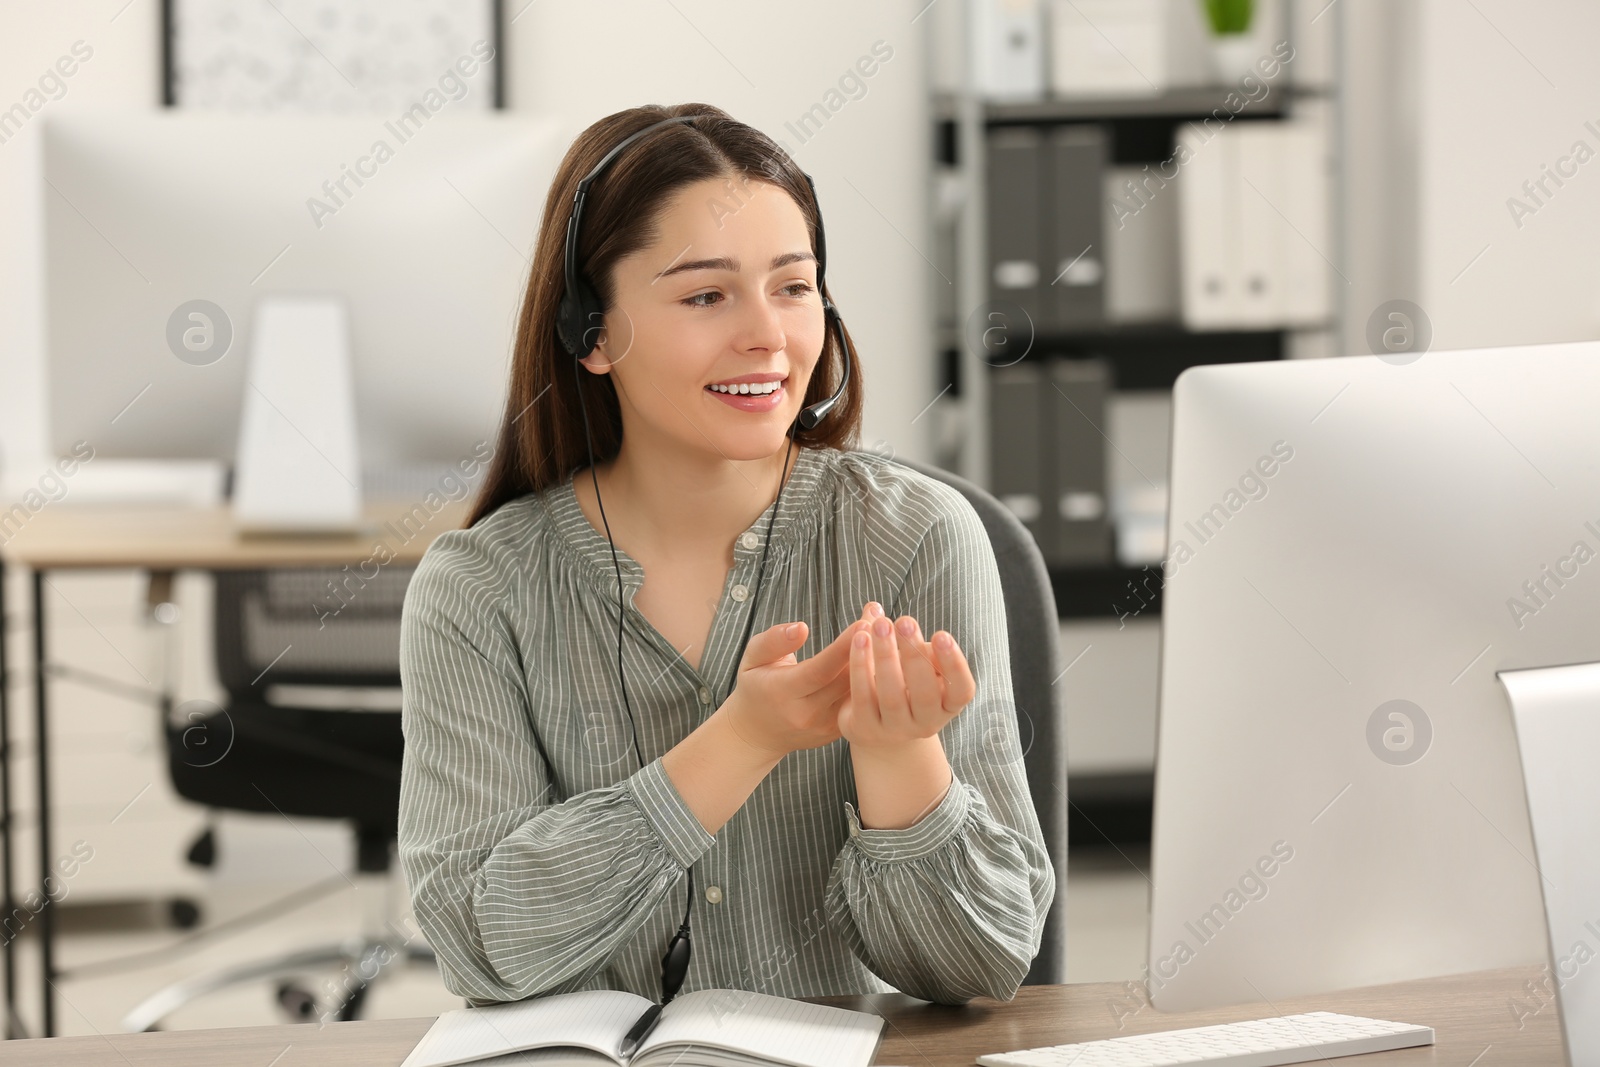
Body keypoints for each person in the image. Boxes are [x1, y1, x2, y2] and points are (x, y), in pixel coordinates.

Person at [397, 102, 1055, 1009]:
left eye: (793, 286)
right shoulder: (480, 587)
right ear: (591, 331)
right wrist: (742, 741)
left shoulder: (919, 538)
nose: (768, 335)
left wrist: (897, 754)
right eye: (706, 295)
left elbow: (979, 969)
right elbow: (482, 944)